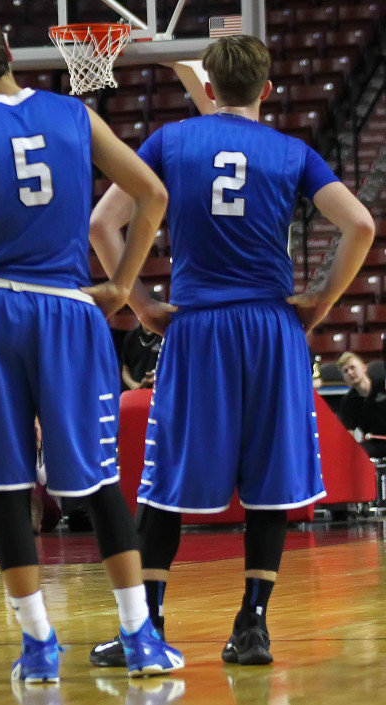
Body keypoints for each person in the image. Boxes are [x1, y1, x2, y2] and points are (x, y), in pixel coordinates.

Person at [0, 11, 181, 684]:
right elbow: (153, 192)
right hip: (69, 307)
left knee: (4, 484)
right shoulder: (74, 114)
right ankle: (139, 635)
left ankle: (39, 645)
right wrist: (124, 285)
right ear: (10, 56)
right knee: (99, 478)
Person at [88, 34, 374, 668]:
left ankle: (148, 627)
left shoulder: (170, 141)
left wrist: (139, 304)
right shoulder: (293, 151)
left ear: (208, 89)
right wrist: (320, 302)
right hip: (271, 327)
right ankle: (252, 627)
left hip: (198, 327)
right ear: (267, 91)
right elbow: (360, 225)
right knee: (270, 481)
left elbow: (102, 224)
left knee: (165, 482)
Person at [335, 352, 386, 458]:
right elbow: (348, 434)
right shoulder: (348, 402)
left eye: (352, 367)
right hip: (375, 444)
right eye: (345, 371)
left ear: (363, 368)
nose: (350, 372)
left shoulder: (383, 386)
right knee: (356, 455)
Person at [120, 322, 161, 391]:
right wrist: (134, 385)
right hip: (136, 390)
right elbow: (125, 369)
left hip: (157, 390)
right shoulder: (130, 337)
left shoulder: (164, 336)